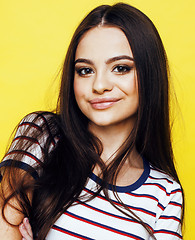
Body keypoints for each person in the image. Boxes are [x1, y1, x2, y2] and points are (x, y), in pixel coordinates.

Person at [0, 3, 184, 240]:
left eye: (120, 68)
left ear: (150, 74)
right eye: (85, 70)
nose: (99, 86)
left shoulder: (165, 193)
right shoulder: (43, 135)